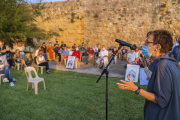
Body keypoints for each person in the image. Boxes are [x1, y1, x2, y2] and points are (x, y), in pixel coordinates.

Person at [117, 30, 180, 120]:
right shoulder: (171, 62)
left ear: (157, 46)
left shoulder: (162, 65)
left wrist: (136, 88)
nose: (144, 44)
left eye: (147, 42)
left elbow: (162, 100)